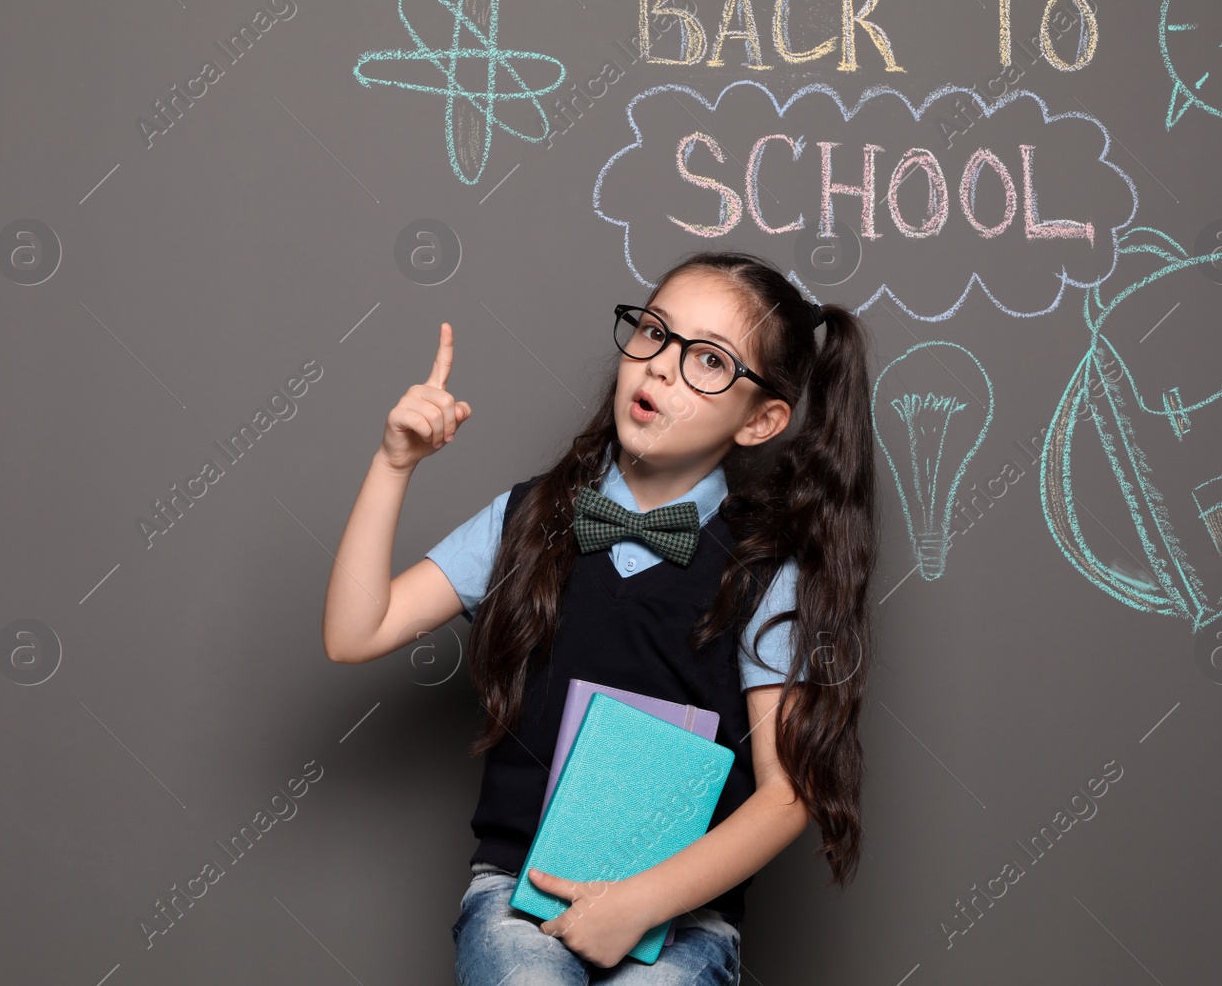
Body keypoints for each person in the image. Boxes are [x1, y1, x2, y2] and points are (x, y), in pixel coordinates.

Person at [322, 250, 879, 983]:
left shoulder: (768, 573)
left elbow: (787, 794)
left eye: (708, 361)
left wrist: (641, 901)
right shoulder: (526, 519)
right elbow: (355, 632)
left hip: (685, 919)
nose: (659, 367)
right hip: (520, 896)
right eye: (653, 332)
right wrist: (394, 464)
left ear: (762, 418)